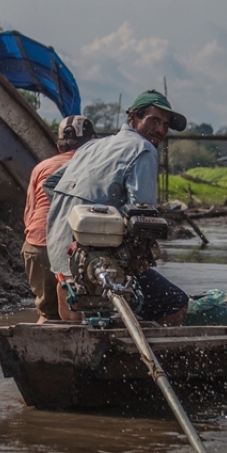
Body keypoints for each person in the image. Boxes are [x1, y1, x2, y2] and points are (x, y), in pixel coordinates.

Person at [44, 90, 190, 326]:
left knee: (76, 325)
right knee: (176, 302)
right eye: (154, 120)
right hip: (96, 259)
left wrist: (81, 212)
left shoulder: (91, 147)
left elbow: (50, 184)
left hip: (60, 254)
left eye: (165, 125)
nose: (161, 130)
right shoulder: (143, 148)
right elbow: (142, 214)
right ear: (133, 118)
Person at [22, 115, 97, 322]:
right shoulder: (94, 167)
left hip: (36, 245)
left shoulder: (41, 168)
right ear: (92, 142)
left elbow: (29, 214)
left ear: (58, 145)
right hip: (72, 251)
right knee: (79, 311)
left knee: (48, 311)